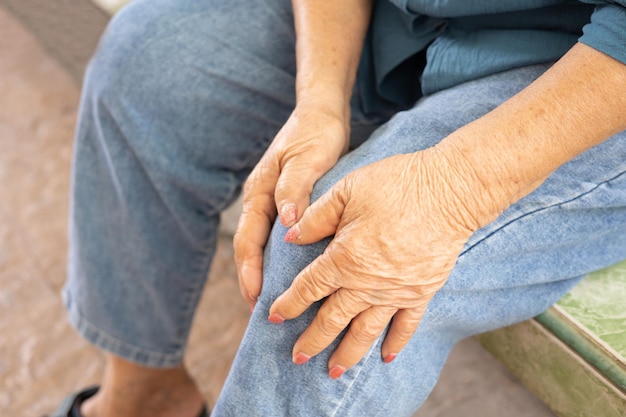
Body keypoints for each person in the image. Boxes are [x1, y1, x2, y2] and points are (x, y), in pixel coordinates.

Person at [53, 0, 626, 416]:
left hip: (590, 76)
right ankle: (147, 401)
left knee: (339, 257)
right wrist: (320, 100)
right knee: (150, 64)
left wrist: (455, 187)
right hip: (402, 19)